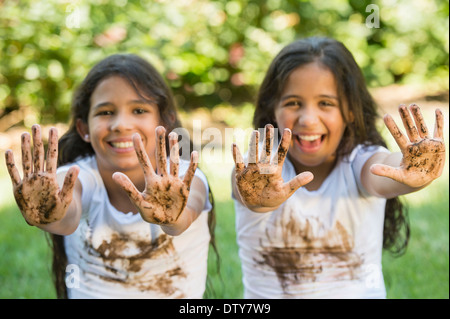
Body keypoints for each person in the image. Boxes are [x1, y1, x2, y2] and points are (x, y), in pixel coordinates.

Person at [231, 37, 445, 298]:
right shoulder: (257, 172)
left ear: (350, 112)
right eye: (293, 103)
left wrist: (413, 171)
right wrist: (256, 198)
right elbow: (247, 191)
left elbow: (383, 172)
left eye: (326, 103)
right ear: (272, 109)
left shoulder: (359, 160)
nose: (308, 119)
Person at [5, 54, 216, 299]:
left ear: (166, 122)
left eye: (139, 110)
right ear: (84, 129)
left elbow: (185, 214)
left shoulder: (185, 178)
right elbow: (66, 217)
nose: (120, 124)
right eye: (105, 112)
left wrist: (173, 216)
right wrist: (49, 213)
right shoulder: (79, 177)